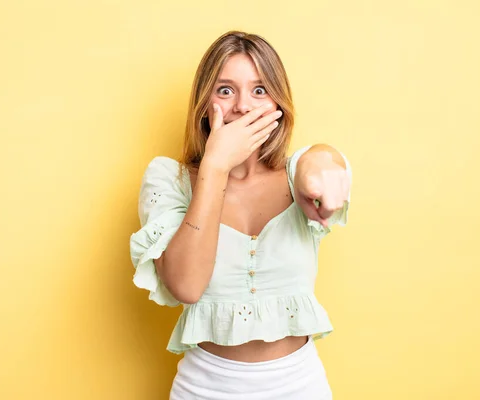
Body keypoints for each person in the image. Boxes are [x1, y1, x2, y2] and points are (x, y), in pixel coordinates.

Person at [129, 30, 352, 400]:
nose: (243, 107)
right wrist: (216, 166)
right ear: (204, 103)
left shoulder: (298, 173)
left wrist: (323, 175)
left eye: (260, 90)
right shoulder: (169, 178)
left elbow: (323, 161)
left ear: (279, 104)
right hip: (204, 388)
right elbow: (185, 286)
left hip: (300, 386)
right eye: (226, 90)